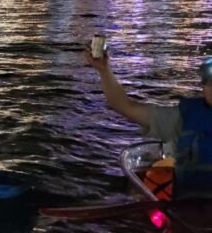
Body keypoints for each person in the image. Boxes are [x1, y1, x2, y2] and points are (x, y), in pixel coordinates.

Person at [85, 49, 212, 199]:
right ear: (203, 88)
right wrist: (104, 71)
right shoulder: (183, 118)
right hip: (187, 211)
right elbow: (125, 106)